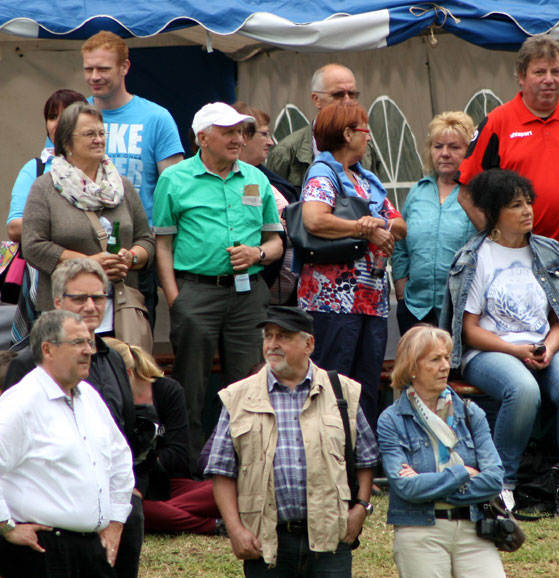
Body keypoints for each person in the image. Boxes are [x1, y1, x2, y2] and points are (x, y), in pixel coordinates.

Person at [441, 169, 559, 515]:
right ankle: (501, 483)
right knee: (524, 389)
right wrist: (514, 350)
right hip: (489, 350)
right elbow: (468, 330)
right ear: (495, 211)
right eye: (515, 205)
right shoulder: (475, 257)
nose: (527, 211)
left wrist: (550, 348)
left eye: (529, 203)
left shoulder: (549, 252)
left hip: (544, 346)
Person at [456, 35, 559, 340]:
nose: (549, 80)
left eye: (556, 72)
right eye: (539, 72)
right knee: (531, 343)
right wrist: (503, 242)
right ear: (521, 77)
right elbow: (466, 194)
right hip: (521, 261)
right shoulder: (498, 122)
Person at [153, 102, 283, 467]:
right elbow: (163, 244)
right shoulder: (174, 179)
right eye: (228, 133)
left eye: (242, 132)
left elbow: (276, 244)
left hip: (248, 293)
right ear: (202, 138)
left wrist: (257, 253)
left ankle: (244, 468)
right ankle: (190, 469)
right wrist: (176, 298)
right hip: (195, 292)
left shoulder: (257, 179)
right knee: (189, 386)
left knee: (248, 385)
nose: (239, 139)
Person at [205, 306, 379, 577]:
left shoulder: (342, 390)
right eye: (268, 336)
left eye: (283, 336)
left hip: (331, 538)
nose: (272, 344)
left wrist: (361, 508)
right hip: (266, 541)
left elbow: (366, 458)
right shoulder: (237, 397)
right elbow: (222, 470)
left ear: (308, 343)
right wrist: (235, 530)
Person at [4, 258, 144, 577]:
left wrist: (121, 511)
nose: (91, 306)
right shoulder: (27, 382)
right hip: (49, 542)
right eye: (80, 297)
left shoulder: (102, 373)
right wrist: (6, 526)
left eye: (99, 297)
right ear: (48, 350)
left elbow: (122, 446)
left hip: (103, 525)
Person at [297, 101, 406, 431]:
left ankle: (363, 474)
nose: (369, 137)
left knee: (366, 388)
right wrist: (366, 228)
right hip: (332, 302)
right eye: (364, 129)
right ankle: (333, 470)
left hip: (369, 301)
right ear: (347, 134)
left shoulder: (365, 178)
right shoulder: (323, 171)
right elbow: (314, 219)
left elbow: (400, 224)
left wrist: (381, 228)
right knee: (334, 385)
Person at [21, 102, 155, 345]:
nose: (98, 140)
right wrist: (87, 263)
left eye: (102, 133)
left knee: (122, 377)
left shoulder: (121, 186)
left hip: (121, 311)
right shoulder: (45, 187)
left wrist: (130, 258)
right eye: (89, 134)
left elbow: (146, 240)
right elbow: (33, 246)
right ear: (67, 142)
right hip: (64, 314)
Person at [377, 325, 505, 577]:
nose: (445, 365)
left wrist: (432, 488)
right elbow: (405, 488)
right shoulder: (391, 420)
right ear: (412, 368)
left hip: (473, 527)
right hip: (420, 530)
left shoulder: (471, 412)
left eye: (446, 357)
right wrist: (461, 474)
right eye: (435, 359)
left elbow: (494, 479)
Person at [82, 30, 184, 326]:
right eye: (89, 69)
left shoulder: (156, 118)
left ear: (125, 67)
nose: (94, 76)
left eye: (103, 68)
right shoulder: (75, 116)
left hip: (138, 254)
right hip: (83, 249)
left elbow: (174, 189)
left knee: (134, 348)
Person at [104, 338, 223, 536]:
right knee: (129, 507)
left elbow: (178, 455)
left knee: (226, 489)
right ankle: (212, 525)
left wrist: (145, 463)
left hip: (166, 483)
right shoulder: (104, 400)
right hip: (127, 487)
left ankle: (163, 514)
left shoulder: (167, 390)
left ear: (126, 374)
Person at [6, 89, 88, 347]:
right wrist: (63, 227)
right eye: (52, 117)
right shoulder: (38, 169)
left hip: (94, 285)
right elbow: (15, 227)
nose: (57, 124)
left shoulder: (106, 173)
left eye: (66, 116)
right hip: (46, 283)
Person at [392, 112, 477, 335]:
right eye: (438, 146)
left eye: (454, 147)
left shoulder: (476, 193)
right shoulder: (418, 191)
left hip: (464, 309)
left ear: (469, 151)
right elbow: (400, 245)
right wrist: (401, 289)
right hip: (415, 308)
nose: (445, 154)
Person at [266, 63, 383, 189]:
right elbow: (273, 204)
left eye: (352, 94)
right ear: (316, 99)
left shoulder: (366, 149)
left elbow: (377, 198)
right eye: (338, 94)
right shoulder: (286, 152)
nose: (347, 101)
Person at [233, 101, 298, 304]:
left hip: (282, 301)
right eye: (264, 134)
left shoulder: (270, 180)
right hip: (248, 296)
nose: (270, 142)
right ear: (243, 135)